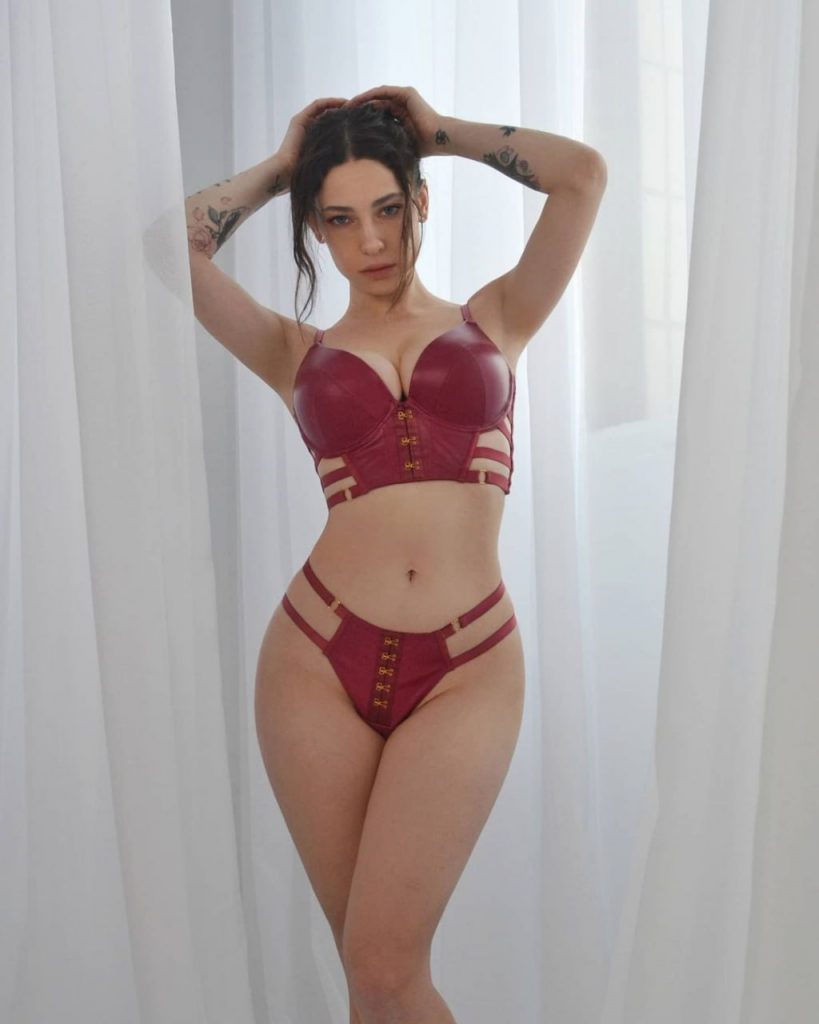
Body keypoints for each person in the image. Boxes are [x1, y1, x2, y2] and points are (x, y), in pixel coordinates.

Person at [186, 84, 606, 1024]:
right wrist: (283, 167)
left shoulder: (497, 316)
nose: (370, 241)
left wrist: (439, 133)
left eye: (386, 208)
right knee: (374, 980)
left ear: (419, 200)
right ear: (317, 230)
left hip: (467, 664)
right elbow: (173, 247)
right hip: (314, 658)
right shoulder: (293, 350)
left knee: (382, 964)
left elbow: (582, 176)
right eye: (339, 220)